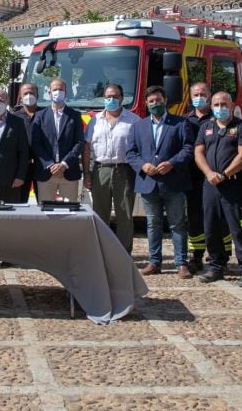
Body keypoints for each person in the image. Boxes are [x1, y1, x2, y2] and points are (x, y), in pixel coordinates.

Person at [127, 85, 195, 277]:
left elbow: (188, 148)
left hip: (173, 182)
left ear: (165, 100)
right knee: (152, 224)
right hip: (149, 182)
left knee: (177, 224)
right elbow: (131, 152)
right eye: (151, 101)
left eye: (158, 100)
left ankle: (181, 263)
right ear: (146, 104)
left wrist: (172, 163)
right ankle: (154, 262)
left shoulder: (181, 123)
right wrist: (143, 166)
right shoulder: (138, 126)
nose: (155, 104)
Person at [195, 90, 242, 287]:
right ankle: (216, 265)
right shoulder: (206, 127)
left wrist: (224, 174)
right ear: (211, 107)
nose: (220, 108)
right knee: (211, 227)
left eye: (224, 104)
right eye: (216, 104)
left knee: (239, 228)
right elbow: (198, 152)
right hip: (210, 185)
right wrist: (209, 173)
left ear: (231, 106)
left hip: (233, 185)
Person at [82, 83, 139, 252]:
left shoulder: (133, 120)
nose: (111, 100)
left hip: (124, 170)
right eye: (108, 97)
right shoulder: (95, 120)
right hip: (100, 170)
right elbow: (86, 148)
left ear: (122, 98)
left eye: (115, 97)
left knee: (125, 214)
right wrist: (87, 173)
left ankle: (123, 253)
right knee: (100, 214)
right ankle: (101, 250)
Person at [32, 77, 83, 202]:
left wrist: (64, 164)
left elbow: (79, 142)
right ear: (49, 93)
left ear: (66, 93)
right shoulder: (39, 116)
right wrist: (50, 165)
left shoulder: (75, 115)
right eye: (55, 89)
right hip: (46, 173)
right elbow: (35, 143)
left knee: (71, 213)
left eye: (61, 89)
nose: (58, 92)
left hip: (69, 171)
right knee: (46, 214)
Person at [183, 81, 211, 272]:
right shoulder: (185, 120)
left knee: (214, 217)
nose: (199, 97)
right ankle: (197, 255)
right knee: (194, 218)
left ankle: (220, 256)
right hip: (192, 176)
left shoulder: (217, 118)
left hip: (213, 176)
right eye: (195, 94)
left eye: (202, 93)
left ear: (209, 95)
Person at [12, 81, 45, 202]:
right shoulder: (14, 117)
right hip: (21, 167)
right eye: (25, 93)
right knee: (19, 202)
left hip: (43, 166)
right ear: (20, 96)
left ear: (37, 95)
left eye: (32, 93)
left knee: (44, 202)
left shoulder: (46, 115)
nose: (29, 95)